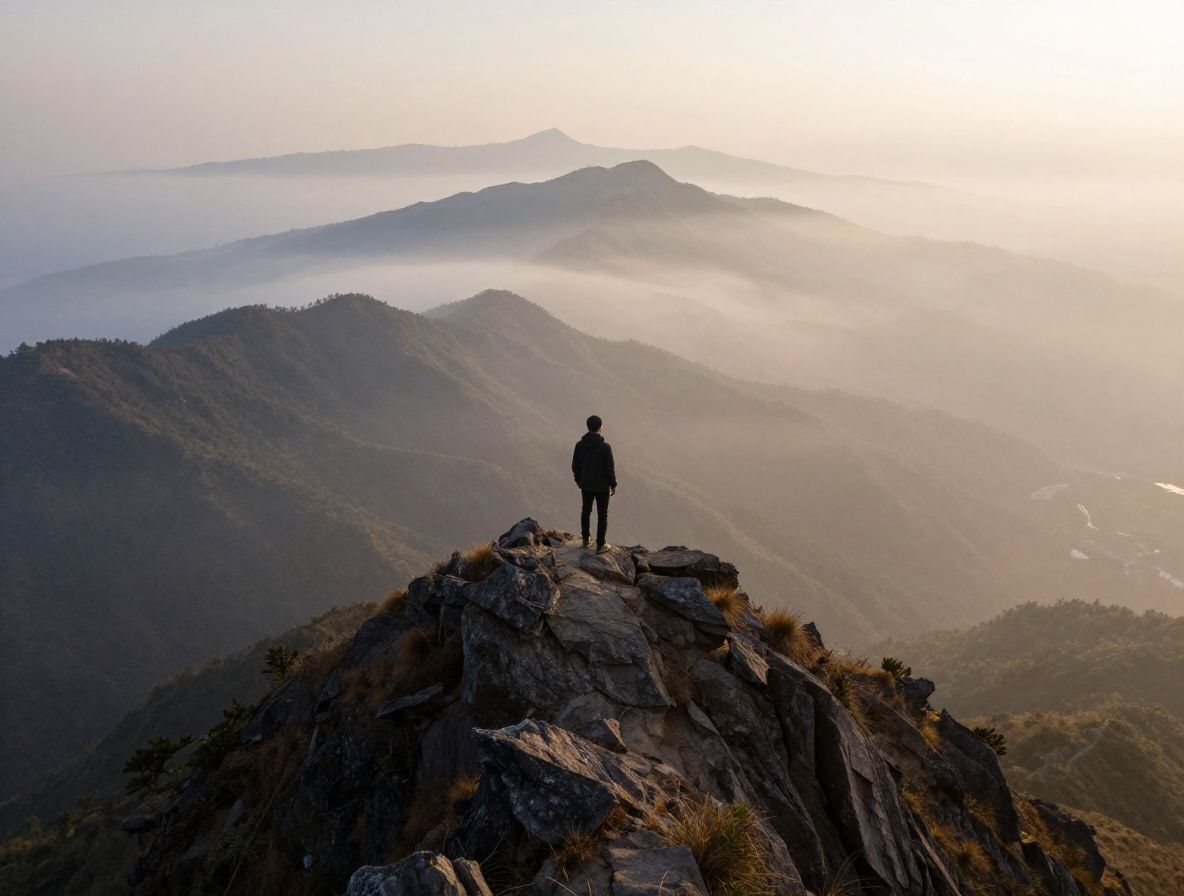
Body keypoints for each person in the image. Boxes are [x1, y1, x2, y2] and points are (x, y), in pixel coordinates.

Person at [571, 415, 617, 553]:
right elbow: (610, 468)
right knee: (602, 514)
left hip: (586, 485)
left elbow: (575, 466)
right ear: (600, 427)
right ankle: (600, 544)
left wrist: (579, 481)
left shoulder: (579, 445)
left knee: (586, 511)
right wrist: (613, 484)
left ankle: (585, 540)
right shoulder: (605, 447)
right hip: (602, 487)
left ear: (587, 426)